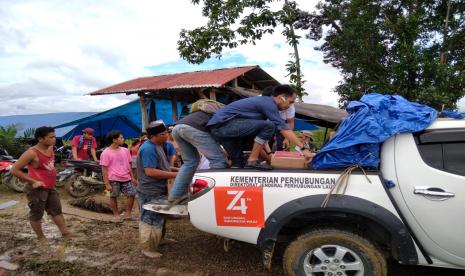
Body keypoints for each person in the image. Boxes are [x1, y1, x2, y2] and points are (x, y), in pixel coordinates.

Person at [207, 84, 313, 169]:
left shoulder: (263, 104)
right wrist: (303, 149)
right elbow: (283, 127)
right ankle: (252, 159)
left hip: (222, 130)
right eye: (290, 102)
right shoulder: (268, 103)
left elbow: (261, 139)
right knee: (269, 125)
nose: (290, 106)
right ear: (282, 97)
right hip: (223, 125)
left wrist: (269, 155)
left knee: (237, 163)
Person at [11, 127, 72, 241]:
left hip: (50, 187)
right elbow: (14, 170)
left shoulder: (50, 148)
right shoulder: (31, 153)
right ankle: (41, 238)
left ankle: (66, 233)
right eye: (51, 137)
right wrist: (33, 181)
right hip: (36, 189)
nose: (54, 139)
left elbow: (48, 166)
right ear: (40, 138)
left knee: (57, 211)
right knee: (37, 214)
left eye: (54, 136)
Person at [164, 110, 228, 205]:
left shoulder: (217, 111)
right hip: (192, 128)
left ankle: (175, 196)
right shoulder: (229, 116)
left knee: (190, 162)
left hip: (177, 128)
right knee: (218, 159)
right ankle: (215, 197)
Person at [136, 121, 177, 258]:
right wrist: (176, 174)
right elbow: (150, 172)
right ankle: (147, 248)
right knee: (150, 219)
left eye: (166, 133)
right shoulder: (148, 149)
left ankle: (160, 240)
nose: (167, 135)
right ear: (154, 136)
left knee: (160, 217)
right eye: (163, 134)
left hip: (159, 188)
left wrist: (180, 170)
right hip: (150, 190)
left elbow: (164, 166)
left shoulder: (160, 145)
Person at [100, 130, 137, 222]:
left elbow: (129, 165)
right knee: (113, 196)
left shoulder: (125, 150)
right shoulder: (105, 153)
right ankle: (116, 215)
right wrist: (107, 183)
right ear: (114, 140)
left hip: (126, 178)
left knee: (132, 194)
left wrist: (132, 177)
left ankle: (127, 214)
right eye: (121, 137)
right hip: (113, 178)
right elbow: (104, 169)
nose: (123, 139)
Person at [262, 86, 296, 151]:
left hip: (282, 122)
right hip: (268, 122)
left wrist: (287, 138)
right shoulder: (263, 102)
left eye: (291, 102)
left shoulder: (290, 107)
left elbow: (290, 123)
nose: (290, 105)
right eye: (290, 101)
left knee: (283, 144)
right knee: (264, 140)